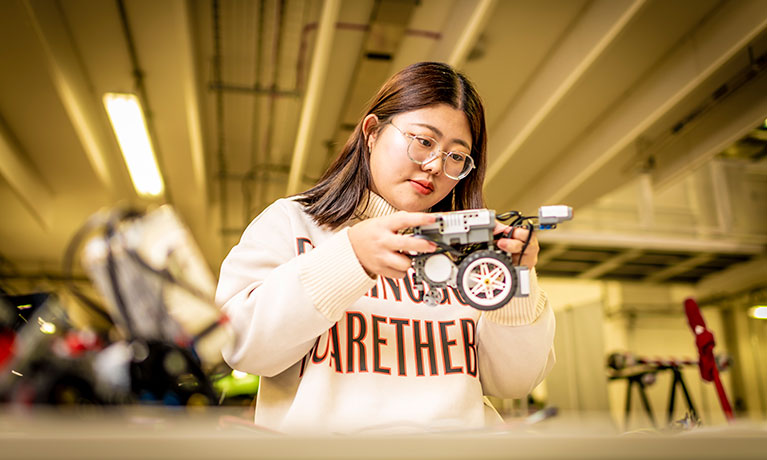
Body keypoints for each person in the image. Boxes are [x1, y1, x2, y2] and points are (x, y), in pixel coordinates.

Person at [215, 62, 555, 434]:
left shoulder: (471, 251)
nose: (434, 166)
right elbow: (243, 346)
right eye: (423, 141)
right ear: (372, 132)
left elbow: (512, 382)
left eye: (456, 156)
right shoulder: (293, 222)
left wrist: (515, 283)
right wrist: (351, 258)